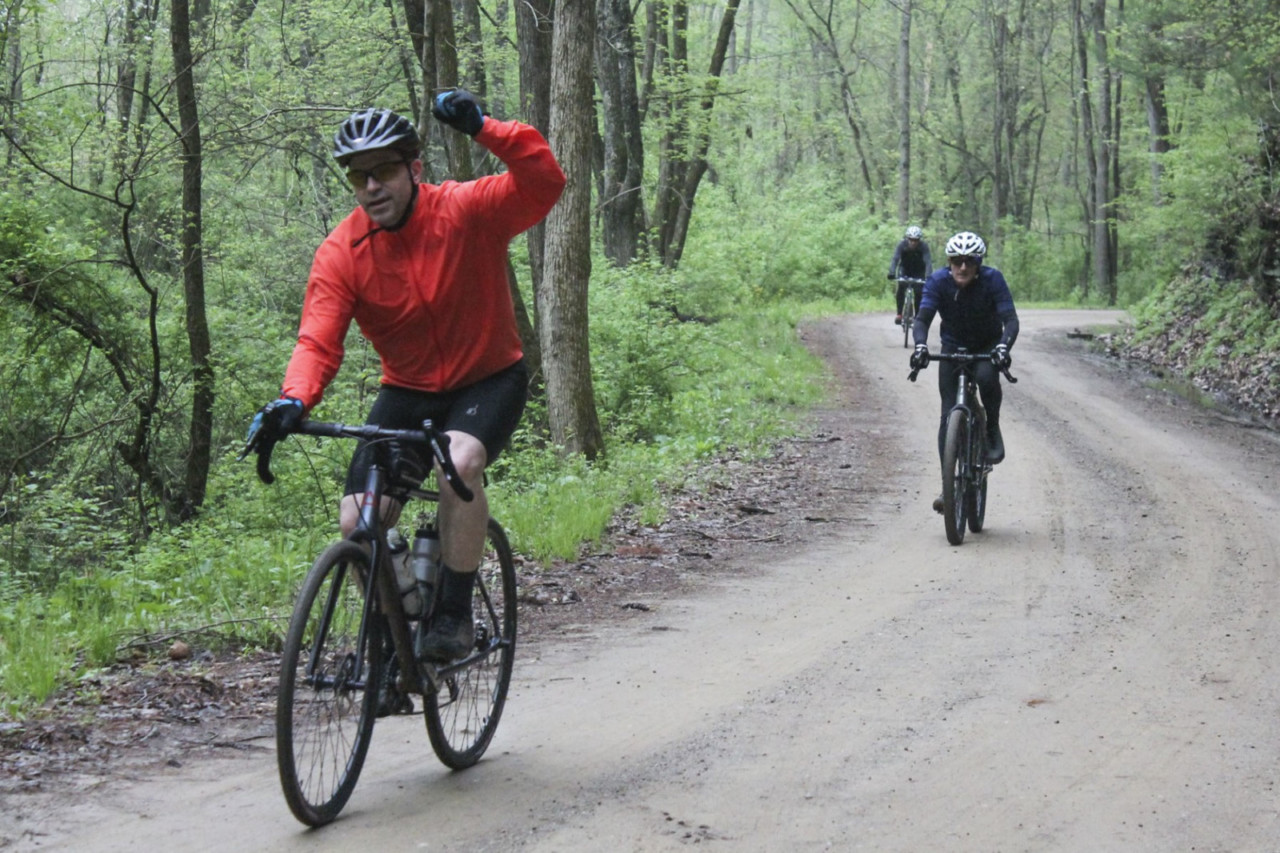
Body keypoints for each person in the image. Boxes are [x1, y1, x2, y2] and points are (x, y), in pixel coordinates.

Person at [246, 90, 566, 661]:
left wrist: (486, 128)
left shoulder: (467, 210)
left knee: (459, 462)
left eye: (385, 172)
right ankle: (395, 626)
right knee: (356, 519)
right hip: (409, 390)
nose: (372, 187)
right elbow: (318, 340)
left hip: (489, 378)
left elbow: (544, 183)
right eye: (359, 176)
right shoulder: (342, 253)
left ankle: (452, 616)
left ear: (414, 169)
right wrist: (293, 400)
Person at [908, 231, 1019, 514]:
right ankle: (949, 484)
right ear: (949, 261)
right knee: (948, 413)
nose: (963, 267)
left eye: (970, 261)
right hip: (953, 346)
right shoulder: (938, 281)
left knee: (985, 377)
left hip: (987, 345)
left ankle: (991, 426)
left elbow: (1010, 320)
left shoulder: (993, 280)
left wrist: (1004, 348)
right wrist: (920, 345)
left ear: (979, 262)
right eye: (957, 261)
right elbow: (922, 319)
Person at [887, 225, 933, 325]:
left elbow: (928, 261)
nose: (913, 242)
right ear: (907, 238)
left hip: (918, 271)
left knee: (919, 292)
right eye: (911, 240)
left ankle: (916, 316)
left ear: (919, 240)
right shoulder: (902, 245)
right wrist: (891, 272)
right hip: (905, 269)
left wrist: (929, 275)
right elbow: (895, 259)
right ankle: (899, 314)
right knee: (901, 289)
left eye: (916, 240)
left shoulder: (923, 247)